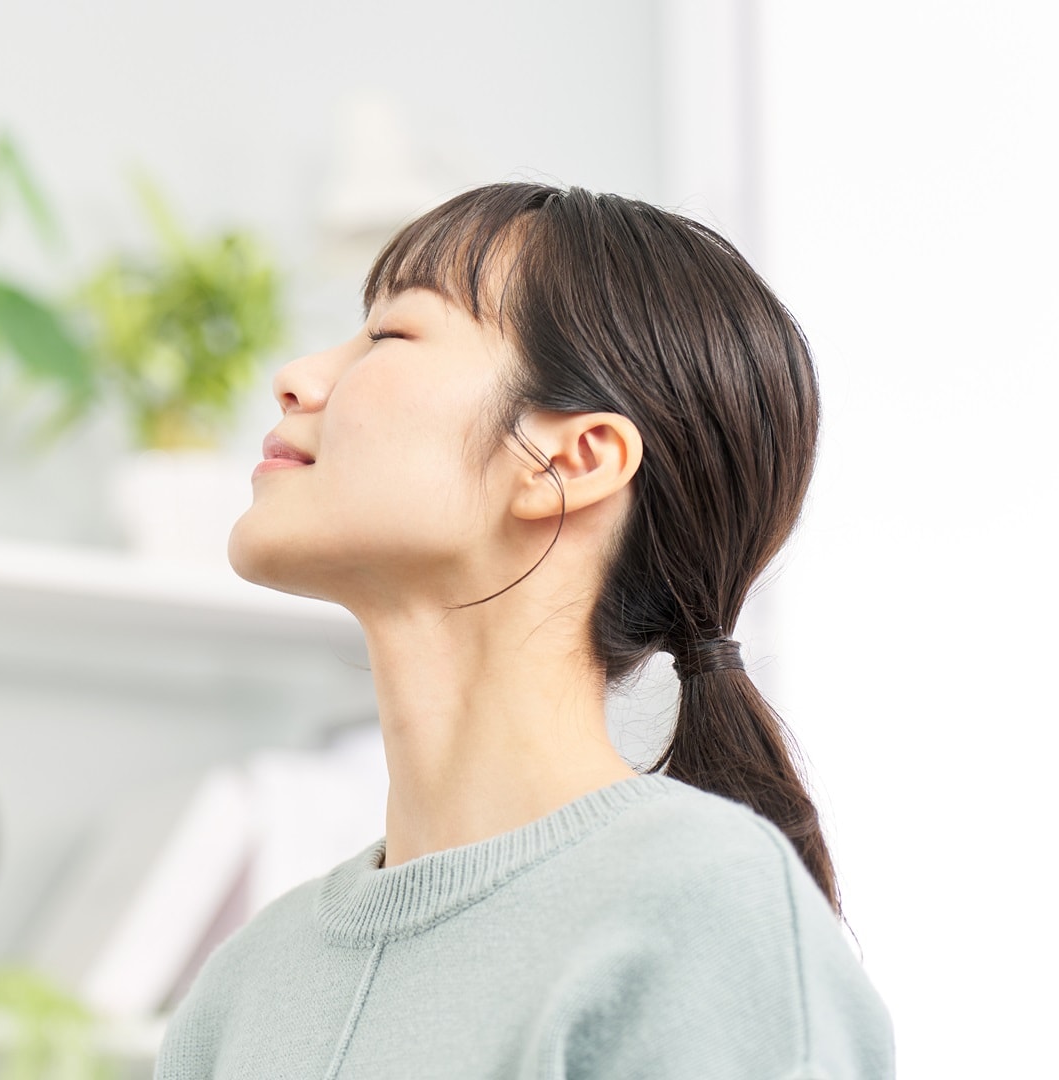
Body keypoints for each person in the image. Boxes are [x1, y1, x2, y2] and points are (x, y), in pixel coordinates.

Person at [154, 183, 895, 1079]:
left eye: (389, 335)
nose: (297, 378)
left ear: (569, 461)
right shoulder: (246, 988)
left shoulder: (699, 909)